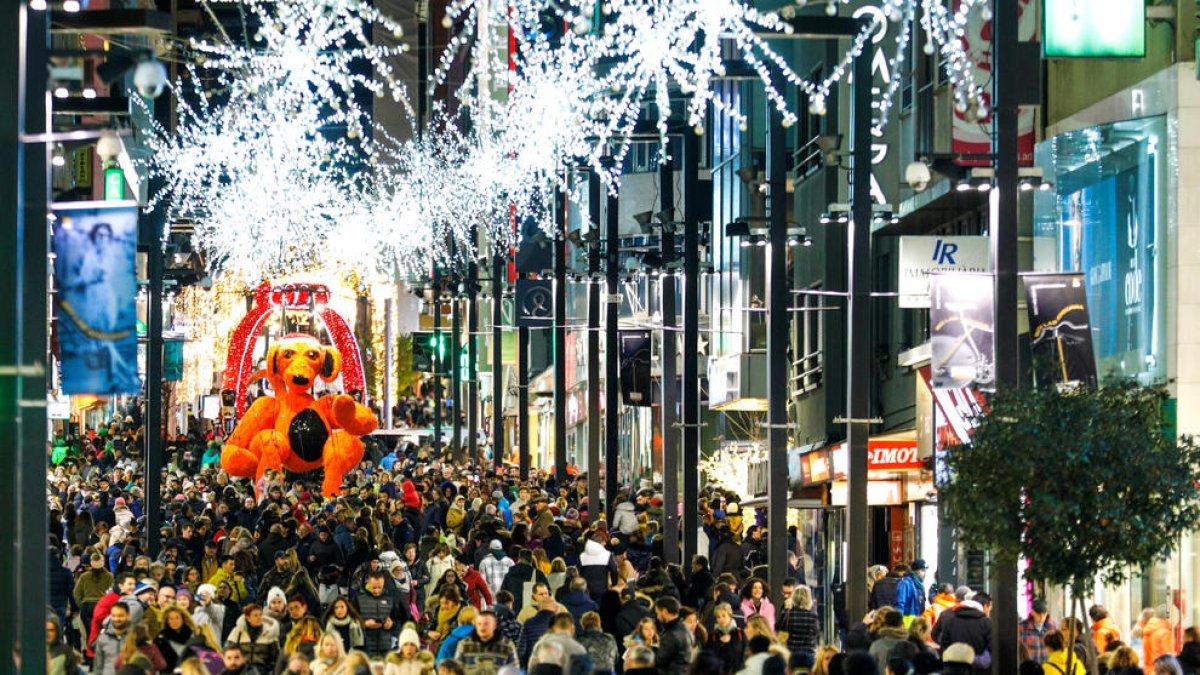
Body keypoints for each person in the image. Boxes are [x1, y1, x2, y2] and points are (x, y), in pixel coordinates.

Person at [356, 570, 405, 658]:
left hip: (385, 644)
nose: (377, 591)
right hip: (365, 645)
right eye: (374, 588)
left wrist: (391, 623)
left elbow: (398, 619)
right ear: (368, 583)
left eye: (380, 587)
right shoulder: (358, 597)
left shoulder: (390, 596)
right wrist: (364, 624)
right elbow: (351, 619)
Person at [454, 609, 519, 675]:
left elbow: (514, 671)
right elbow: (457, 671)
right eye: (479, 624)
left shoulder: (507, 645)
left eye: (486, 624)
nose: (482, 627)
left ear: (494, 625)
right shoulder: (464, 644)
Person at [224, 603, 281, 671]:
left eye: (260, 615)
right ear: (248, 618)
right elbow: (228, 651)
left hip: (263, 671)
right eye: (255, 615)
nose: (259, 618)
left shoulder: (269, 632)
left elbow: (276, 657)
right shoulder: (238, 632)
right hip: (241, 670)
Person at [778, 584, 819, 667]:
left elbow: (779, 628)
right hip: (808, 655)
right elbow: (815, 634)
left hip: (790, 654)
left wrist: (785, 608)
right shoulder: (813, 615)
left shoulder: (787, 613)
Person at [655, 597, 694, 675]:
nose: (657, 617)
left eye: (658, 613)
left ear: (665, 611)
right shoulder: (684, 628)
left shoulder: (671, 635)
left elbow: (660, 660)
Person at [94, 601, 135, 675]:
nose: (116, 619)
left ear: (128, 616)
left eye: (120, 616)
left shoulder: (135, 637)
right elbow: (98, 666)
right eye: (113, 616)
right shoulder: (102, 638)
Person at [707, 602, 746, 675]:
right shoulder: (713, 636)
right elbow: (709, 655)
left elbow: (746, 652)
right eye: (718, 617)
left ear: (730, 616)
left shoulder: (740, 633)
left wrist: (740, 669)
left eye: (724, 616)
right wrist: (719, 642)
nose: (721, 619)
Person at [1021, 599, 1060, 665]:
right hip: (1030, 669)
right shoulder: (1022, 628)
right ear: (1032, 612)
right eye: (1039, 614)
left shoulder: (1054, 627)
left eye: (1044, 614)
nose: (1042, 617)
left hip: (1049, 668)